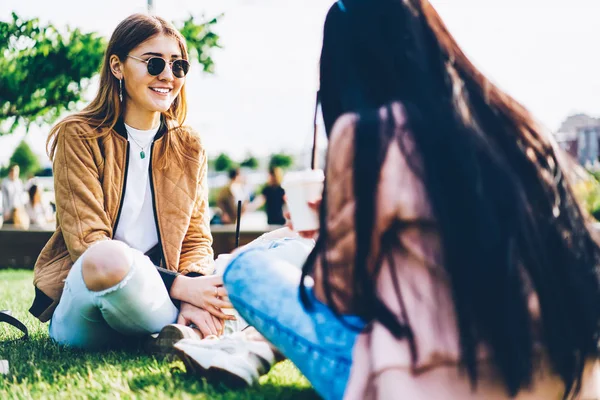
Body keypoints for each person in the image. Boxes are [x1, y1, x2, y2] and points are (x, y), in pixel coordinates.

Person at [178, 0, 600, 399]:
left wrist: (328, 233)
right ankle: (254, 347)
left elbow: (337, 298)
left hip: (439, 385)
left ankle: (252, 345)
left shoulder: (371, 137)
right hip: (563, 379)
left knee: (243, 267)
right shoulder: (514, 127)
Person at [29, 13, 236, 351]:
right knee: (107, 258)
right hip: (88, 302)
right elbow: (88, 244)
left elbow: (197, 240)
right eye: (154, 64)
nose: (167, 76)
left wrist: (195, 284)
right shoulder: (79, 136)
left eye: (178, 66)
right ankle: (190, 327)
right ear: (117, 66)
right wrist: (182, 288)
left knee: (238, 264)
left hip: (160, 297)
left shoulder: (189, 145)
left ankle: (182, 324)